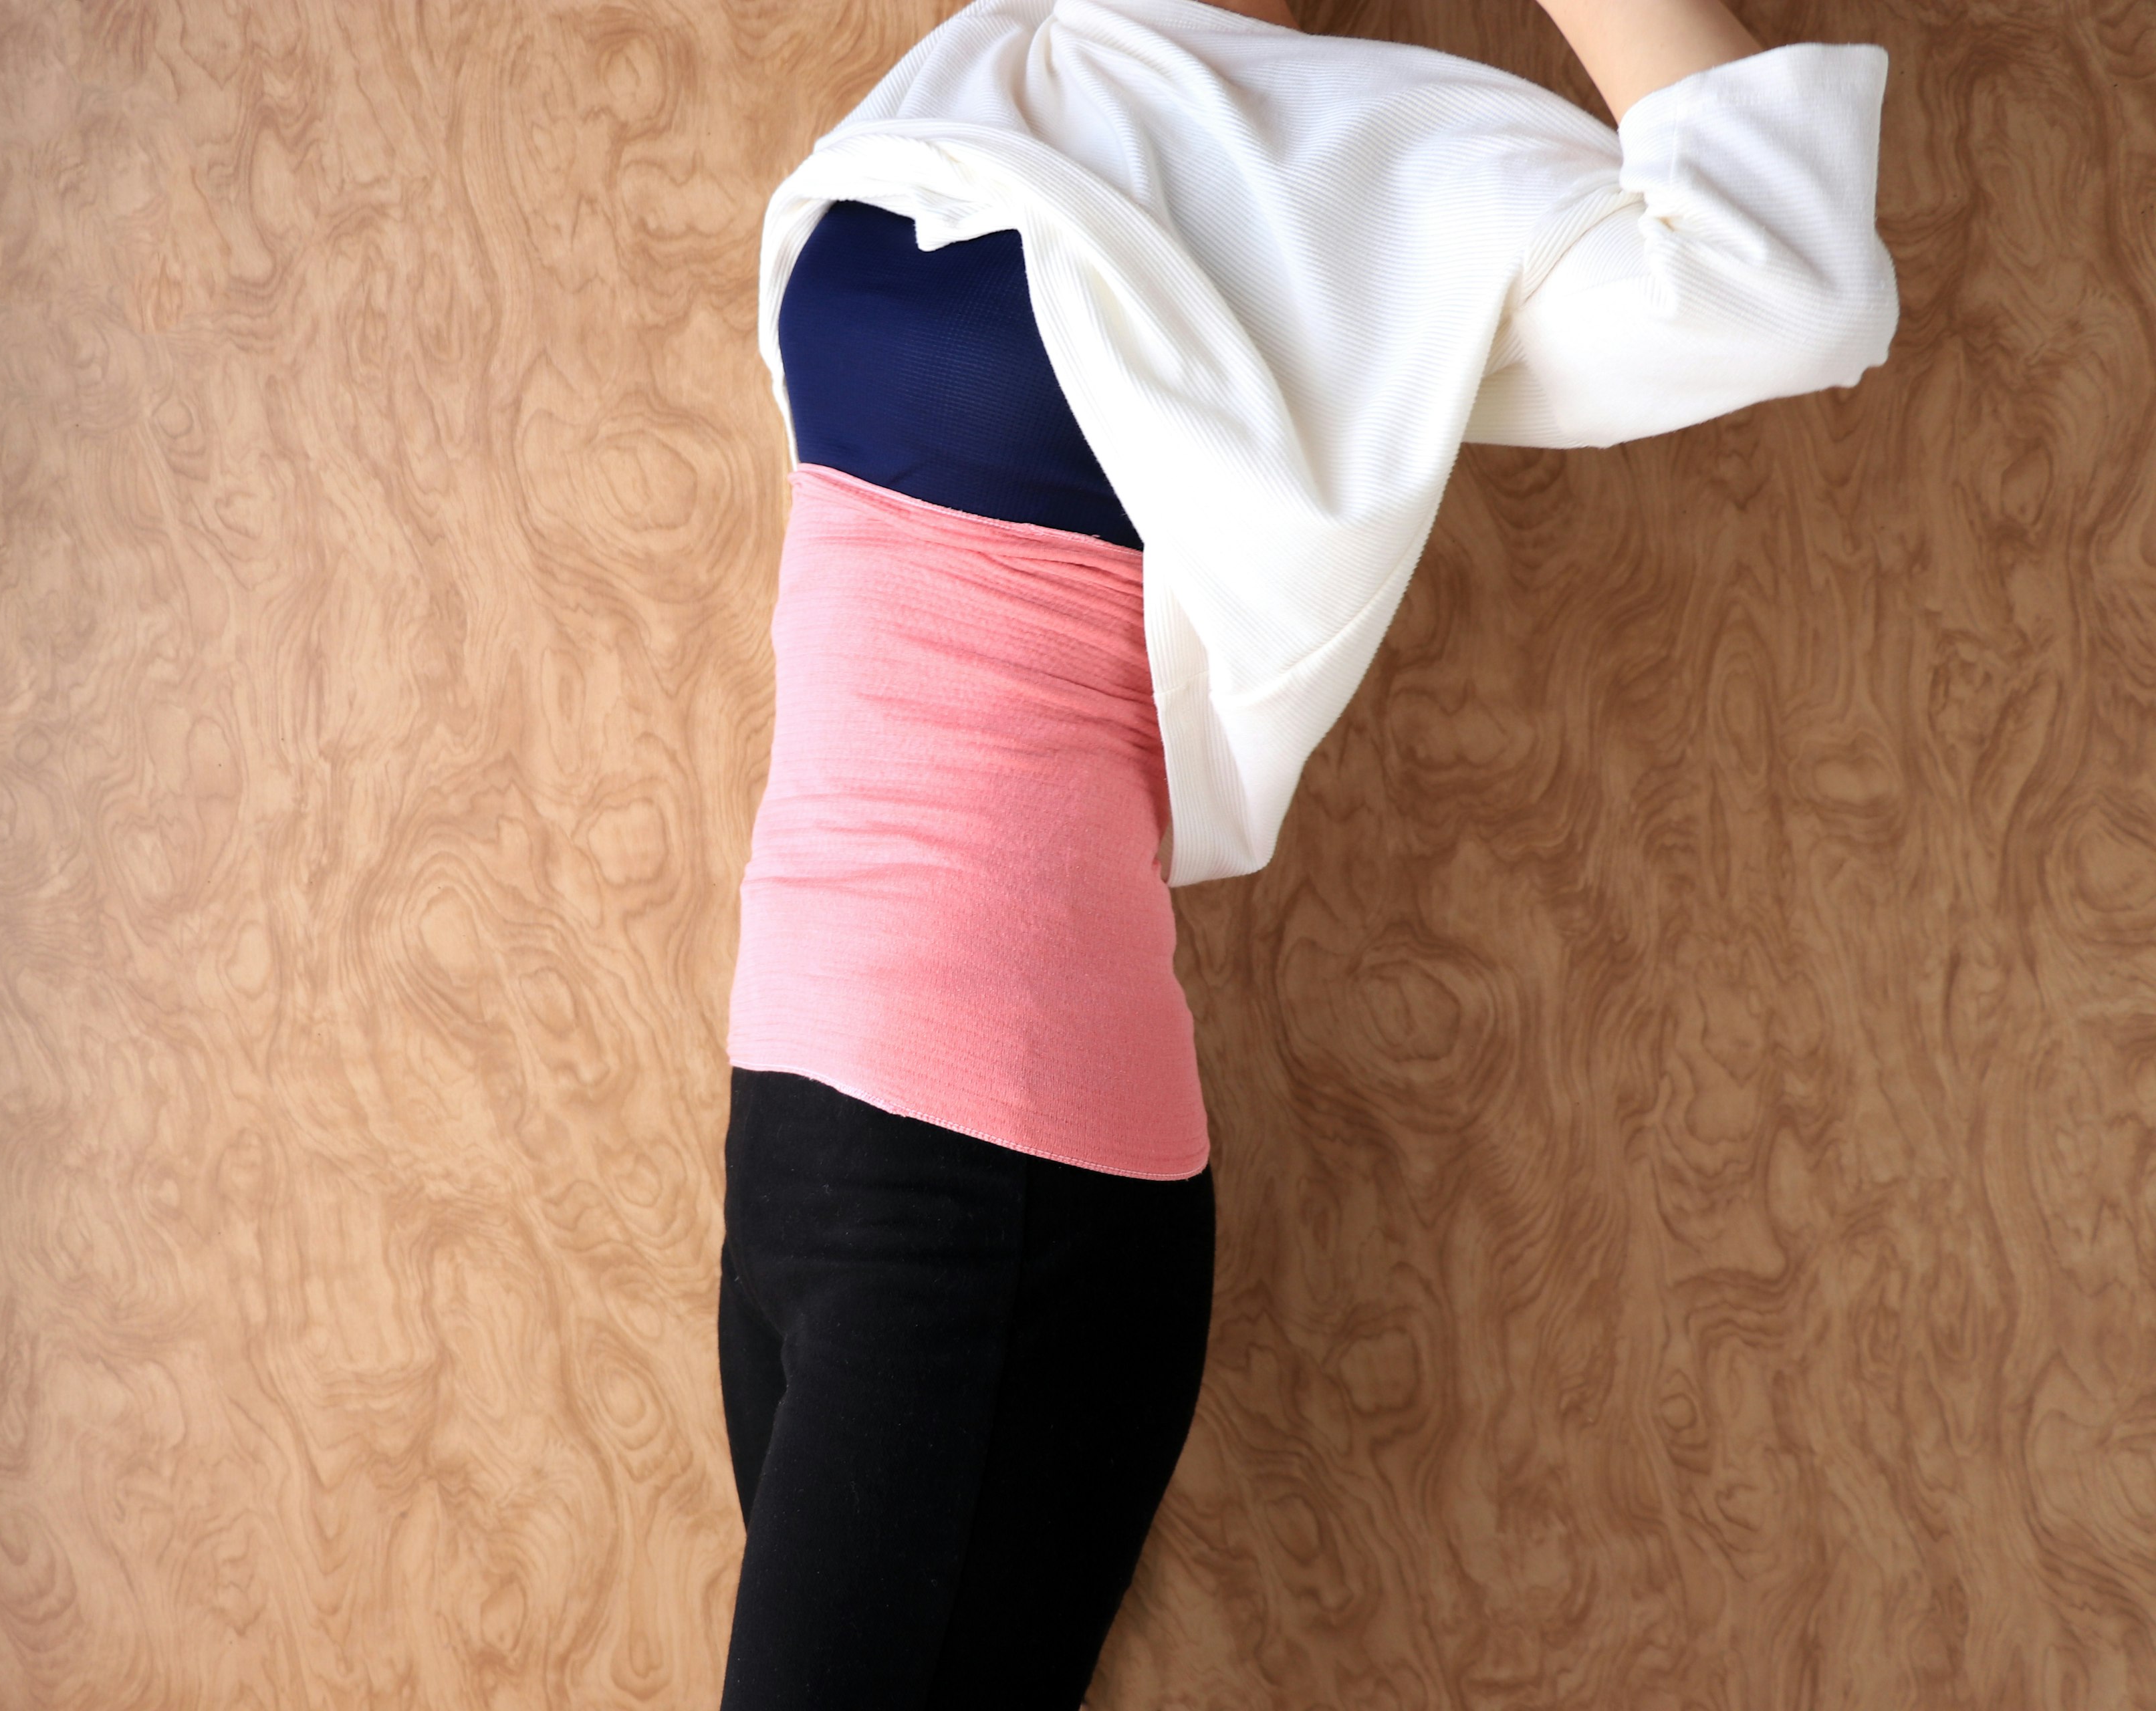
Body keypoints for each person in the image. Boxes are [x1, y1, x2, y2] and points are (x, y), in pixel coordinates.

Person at [713, 1, 1897, 1706]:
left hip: (991, 1172)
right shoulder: (986, 59)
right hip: (796, 1124)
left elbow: (1790, 265)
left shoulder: (1348, 155)